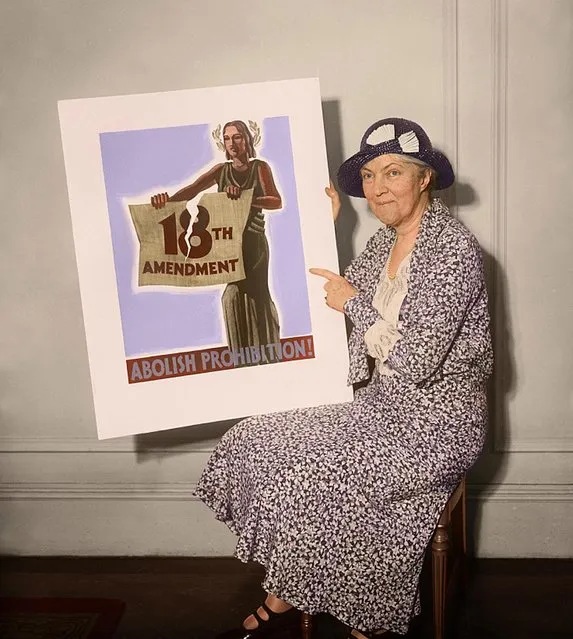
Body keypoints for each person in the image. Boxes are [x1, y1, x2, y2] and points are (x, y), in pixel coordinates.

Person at [195, 117, 493, 638]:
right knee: (257, 438)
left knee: (319, 470)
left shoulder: (454, 250)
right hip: (381, 405)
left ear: (424, 179)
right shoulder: (384, 243)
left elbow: (416, 357)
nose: (378, 190)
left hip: (440, 424)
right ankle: (292, 581)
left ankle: (350, 608)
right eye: (370, 177)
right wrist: (321, 223)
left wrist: (353, 302)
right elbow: (325, 296)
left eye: (393, 172)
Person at [151, 120, 282, 351]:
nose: (232, 142)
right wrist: (166, 202)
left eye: (237, 137)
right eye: (227, 138)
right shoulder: (221, 171)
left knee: (256, 295)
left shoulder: (259, 167)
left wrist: (244, 197)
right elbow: (192, 190)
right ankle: (241, 354)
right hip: (230, 244)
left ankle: (267, 350)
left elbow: (275, 200)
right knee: (232, 296)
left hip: (254, 244)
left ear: (247, 140)